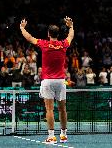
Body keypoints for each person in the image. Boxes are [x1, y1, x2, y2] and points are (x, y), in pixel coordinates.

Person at [20, 16, 74, 144]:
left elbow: (29, 38)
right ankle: (63, 135)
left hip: (48, 81)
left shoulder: (44, 44)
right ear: (58, 34)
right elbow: (70, 36)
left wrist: (22, 28)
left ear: (48, 34)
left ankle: (51, 136)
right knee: (62, 109)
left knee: (49, 109)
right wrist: (70, 26)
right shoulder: (63, 45)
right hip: (61, 81)